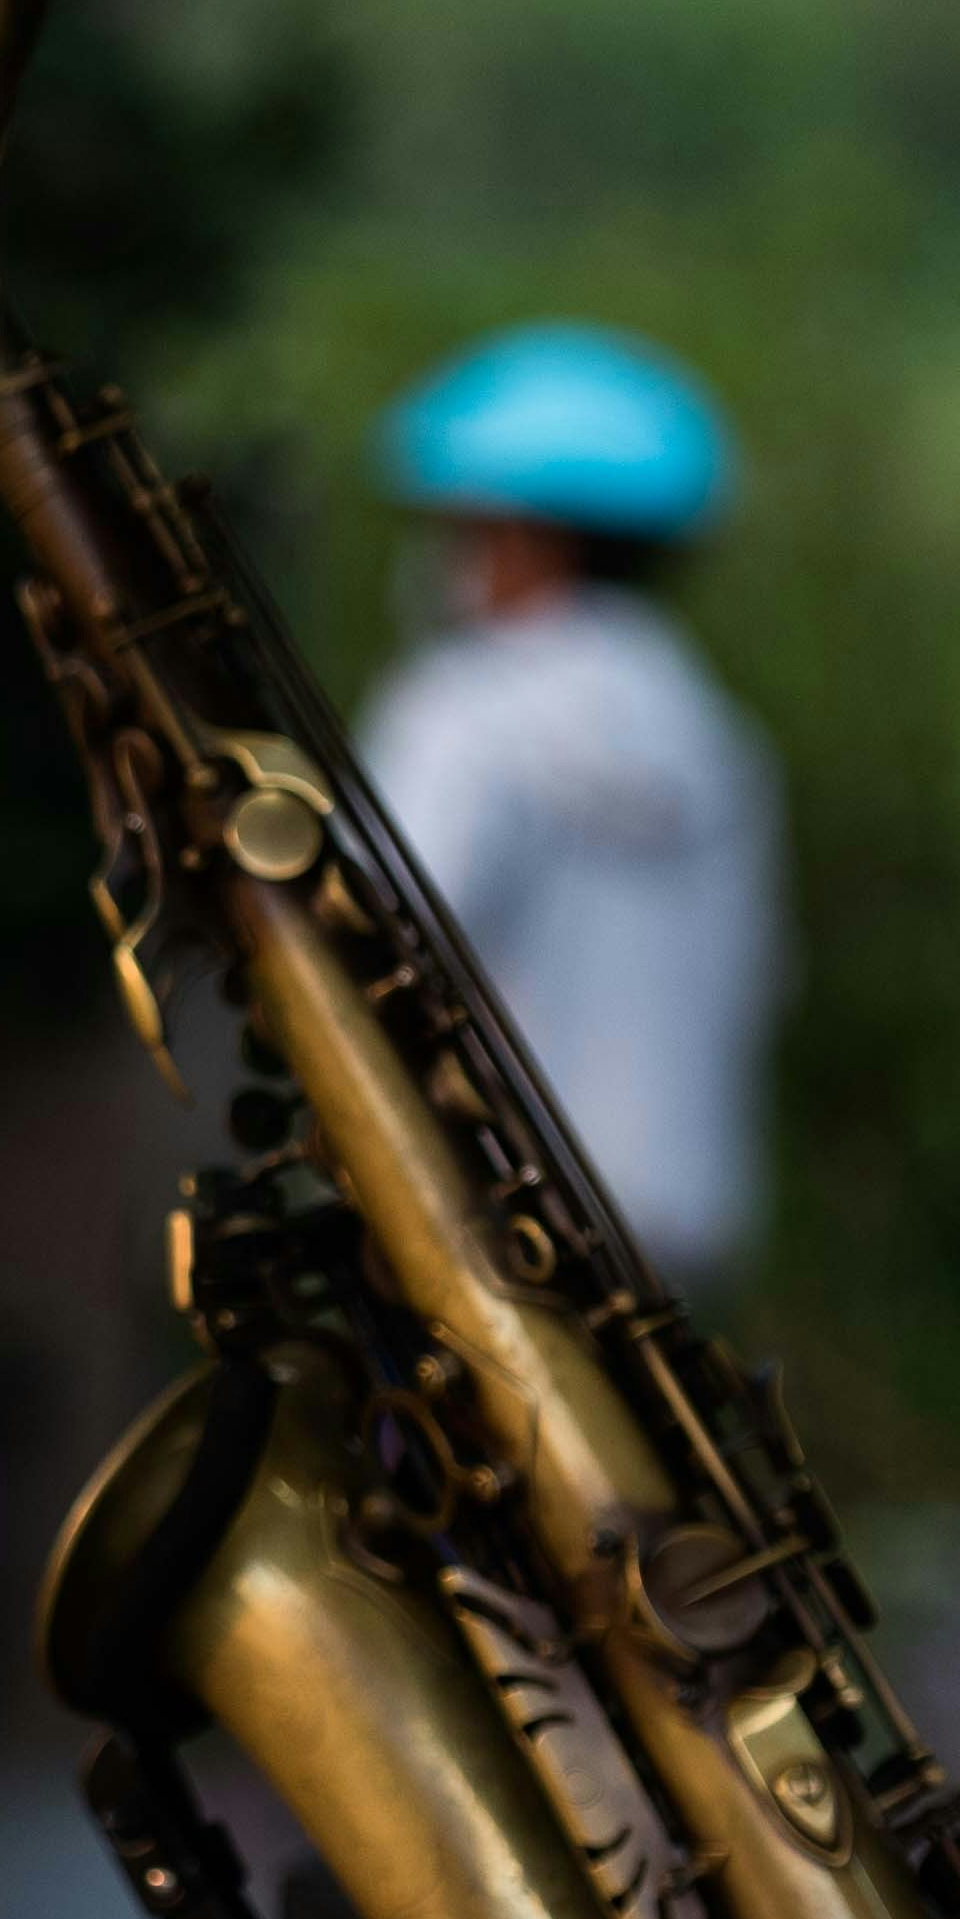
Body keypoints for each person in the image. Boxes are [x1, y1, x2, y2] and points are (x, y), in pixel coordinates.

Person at [349, 322, 780, 1294]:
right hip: (675, 1229)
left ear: (527, 537)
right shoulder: (719, 739)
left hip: (490, 1222)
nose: (447, 556)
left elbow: (368, 942)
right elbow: (754, 982)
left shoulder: (460, 713)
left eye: (463, 527)